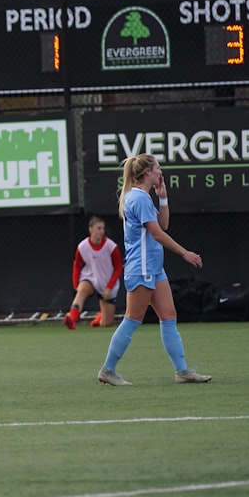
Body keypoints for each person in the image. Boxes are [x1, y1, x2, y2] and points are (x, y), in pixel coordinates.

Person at [96, 154, 212, 386]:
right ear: (147, 172)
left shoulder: (143, 197)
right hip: (142, 268)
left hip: (154, 269)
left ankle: (182, 371)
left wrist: (163, 199)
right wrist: (185, 253)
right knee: (132, 319)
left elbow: (163, 225)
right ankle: (108, 370)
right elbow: (158, 234)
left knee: (169, 316)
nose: (160, 171)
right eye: (157, 168)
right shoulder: (138, 198)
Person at [63, 215, 122, 330]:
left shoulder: (111, 246)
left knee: (106, 323)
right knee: (82, 291)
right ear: (91, 229)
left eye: (103, 229)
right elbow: (77, 265)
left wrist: (109, 287)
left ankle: (99, 318)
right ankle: (72, 320)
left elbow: (118, 267)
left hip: (107, 283)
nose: (101, 231)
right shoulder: (82, 246)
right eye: (98, 228)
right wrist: (76, 285)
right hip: (90, 278)